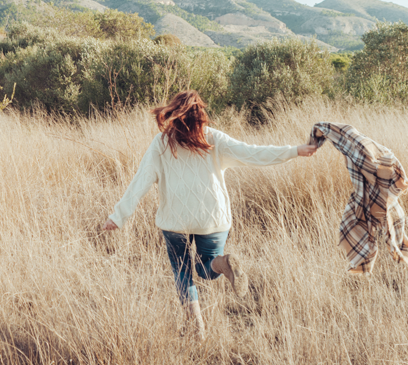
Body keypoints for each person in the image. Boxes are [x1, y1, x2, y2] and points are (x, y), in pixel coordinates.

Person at [102, 90, 316, 338]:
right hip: (212, 218)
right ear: (201, 114)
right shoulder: (214, 138)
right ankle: (221, 263)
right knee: (205, 267)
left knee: (182, 272)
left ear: (173, 112)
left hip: (175, 221)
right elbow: (253, 153)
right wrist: (294, 150)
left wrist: (118, 216)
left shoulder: (161, 143)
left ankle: (197, 327)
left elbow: (141, 182)